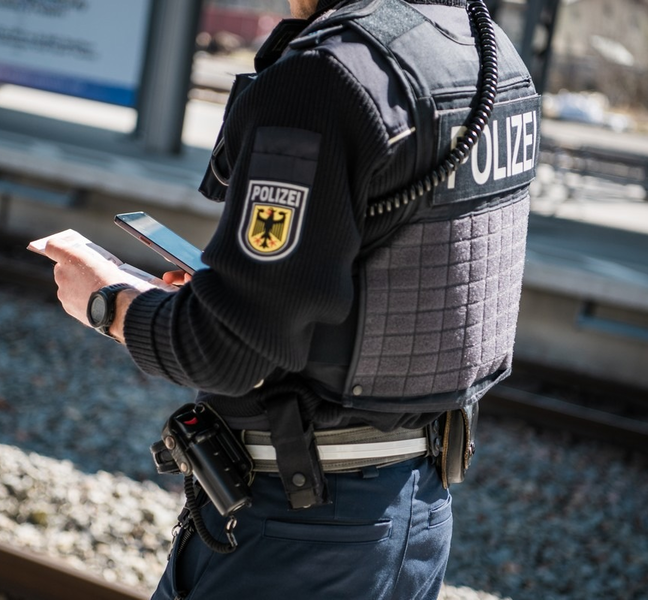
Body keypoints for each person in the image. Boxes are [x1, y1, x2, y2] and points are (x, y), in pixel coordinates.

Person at [44, 0, 540, 597]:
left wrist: (108, 301)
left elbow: (226, 355)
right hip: (413, 508)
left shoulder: (327, 77)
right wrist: (228, 295)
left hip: (299, 529)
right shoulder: (485, 50)